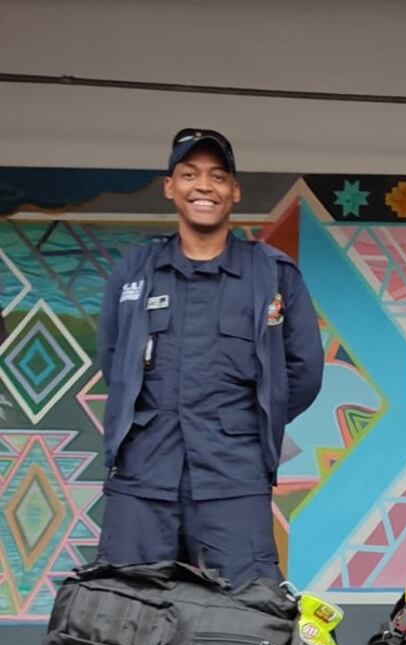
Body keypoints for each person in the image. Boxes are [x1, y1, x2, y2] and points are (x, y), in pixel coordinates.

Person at [96, 128, 323, 586]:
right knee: (127, 612)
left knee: (243, 615)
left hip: (234, 479)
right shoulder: (135, 271)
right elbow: (114, 360)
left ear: (234, 191)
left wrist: (245, 423)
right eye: (189, 174)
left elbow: (303, 372)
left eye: (217, 177)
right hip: (143, 477)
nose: (204, 187)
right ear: (170, 186)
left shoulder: (270, 274)